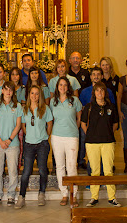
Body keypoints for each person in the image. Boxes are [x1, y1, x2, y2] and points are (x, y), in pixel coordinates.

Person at [81, 82, 121, 207]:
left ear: (105, 93)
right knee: (95, 171)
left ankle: (112, 197)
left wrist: (107, 133)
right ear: (94, 93)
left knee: (108, 170)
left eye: (102, 91)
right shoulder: (89, 107)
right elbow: (83, 123)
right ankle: (94, 197)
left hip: (108, 142)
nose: (100, 93)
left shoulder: (111, 107)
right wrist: (90, 134)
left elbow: (115, 124)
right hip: (92, 143)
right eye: (97, 91)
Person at [15, 85, 53, 209]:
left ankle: (41, 193)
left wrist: (45, 136)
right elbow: (23, 125)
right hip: (29, 144)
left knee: (42, 170)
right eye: (32, 93)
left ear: (40, 96)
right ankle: (22, 196)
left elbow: (49, 123)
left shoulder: (45, 108)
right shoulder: (24, 109)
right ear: (29, 95)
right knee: (26, 172)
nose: (34, 96)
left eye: (37, 94)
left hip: (42, 143)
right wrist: (29, 136)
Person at [50, 76, 82, 207]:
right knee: (60, 167)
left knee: (71, 166)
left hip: (71, 137)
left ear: (68, 87)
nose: (62, 87)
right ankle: (63, 193)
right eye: (60, 85)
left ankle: (73, 194)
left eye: (65, 85)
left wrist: (74, 129)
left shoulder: (74, 100)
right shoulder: (53, 101)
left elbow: (79, 118)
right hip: (57, 137)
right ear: (57, 87)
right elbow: (50, 120)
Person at [79, 66, 115, 172]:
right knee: (92, 158)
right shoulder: (85, 91)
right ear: (90, 77)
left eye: (98, 74)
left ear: (102, 76)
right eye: (94, 74)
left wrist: (109, 131)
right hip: (91, 128)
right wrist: (89, 132)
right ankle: (92, 180)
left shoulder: (109, 91)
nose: (96, 76)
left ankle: (105, 177)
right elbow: (81, 109)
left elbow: (112, 112)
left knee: (106, 159)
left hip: (105, 132)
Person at [0, 81, 22, 206]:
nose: (8, 92)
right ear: (2, 91)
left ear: (13, 91)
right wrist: (0, 140)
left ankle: (11, 195)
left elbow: (18, 125)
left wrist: (9, 140)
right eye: (6, 89)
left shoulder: (17, 106)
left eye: (10, 89)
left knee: (12, 171)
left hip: (12, 144)